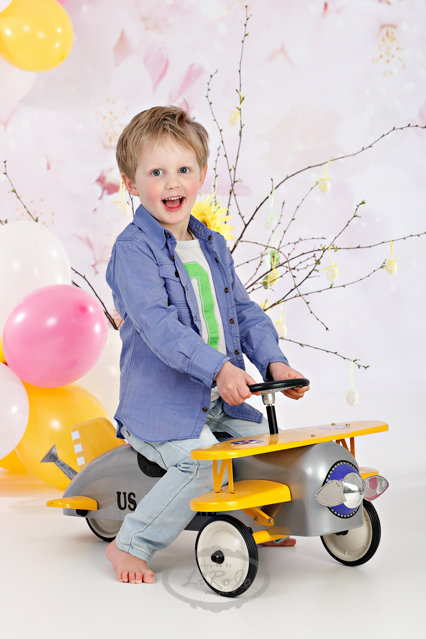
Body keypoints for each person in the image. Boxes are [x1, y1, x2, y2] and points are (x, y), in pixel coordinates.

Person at [105, 105, 310, 585]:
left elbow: (244, 311)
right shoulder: (133, 250)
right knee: (200, 467)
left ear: (200, 175)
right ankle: (130, 543)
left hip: (220, 399)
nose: (171, 183)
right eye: (156, 173)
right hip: (163, 405)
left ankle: (256, 518)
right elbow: (160, 328)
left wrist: (274, 362)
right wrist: (219, 368)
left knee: (267, 451)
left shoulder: (212, 245)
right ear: (131, 183)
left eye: (183, 170)